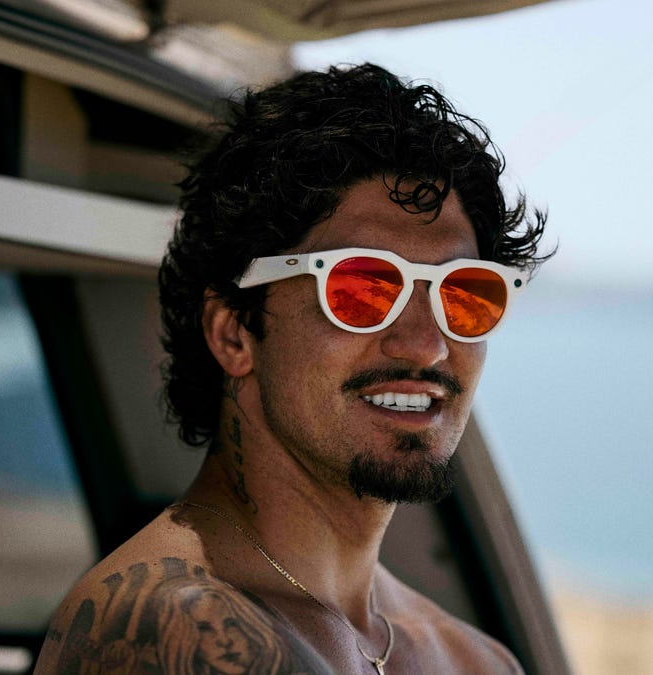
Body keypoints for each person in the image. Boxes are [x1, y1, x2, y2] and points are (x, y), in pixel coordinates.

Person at [35, 63, 548, 674]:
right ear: (233, 332)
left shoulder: (476, 661)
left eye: (464, 294)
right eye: (361, 288)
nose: (426, 345)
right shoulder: (174, 634)